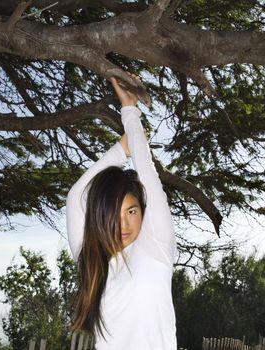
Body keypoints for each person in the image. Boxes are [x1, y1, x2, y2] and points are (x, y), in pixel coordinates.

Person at [66, 76, 177, 349]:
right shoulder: (92, 261)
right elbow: (76, 196)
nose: (124, 224)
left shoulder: (156, 247)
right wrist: (120, 150)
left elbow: (148, 176)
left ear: (143, 211)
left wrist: (130, 112)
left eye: (131, 211)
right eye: (114, 213)